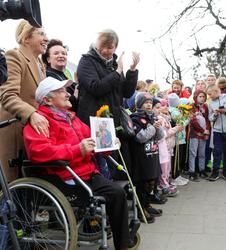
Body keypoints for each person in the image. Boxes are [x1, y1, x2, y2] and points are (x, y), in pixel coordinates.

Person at [23, 76, 130, 250]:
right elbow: (38, 152)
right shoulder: (41, 121)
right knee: (116, 192)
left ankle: (123, 244)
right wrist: (77, 149)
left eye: (66, 90)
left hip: (86, 174)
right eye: (61, 91)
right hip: (63, 177)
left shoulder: (72, 118)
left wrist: (108, 144)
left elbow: (94, 142)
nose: (67, 94)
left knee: (118, 193)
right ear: (47, 99)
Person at [76, 29, 140, 179]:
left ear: (116, 47)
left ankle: (116, 198)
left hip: (114, 121)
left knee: (115, 164)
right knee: (101, 164)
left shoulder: (115, 65)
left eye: (110, 47)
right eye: (102, 46)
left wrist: (131, 71)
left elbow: (126, 93)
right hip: (94, 121)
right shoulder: (86, 61)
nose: (105, 51)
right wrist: (117, 72)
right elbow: (95, 87)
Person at [0, 20, 49, 182]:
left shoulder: (40, 64)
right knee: (12, 190)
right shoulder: (14, 56)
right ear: (26, 38)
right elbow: (7, 95)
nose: (46, 38)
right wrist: (32, 114)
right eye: (41, 34)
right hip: (15, 131)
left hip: (34, 134)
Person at [130, 92, 164, 223]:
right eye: (146, 102)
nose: (149, 104)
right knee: (142, 185)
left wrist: (158, 127)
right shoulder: (134, 118)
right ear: (139, 104)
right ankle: (140, 210)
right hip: (142, 158)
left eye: (150, 102)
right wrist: (152, 127)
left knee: (152, 182)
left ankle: (147, 205)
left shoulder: (152, 117)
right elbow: (140, 137)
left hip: (153, 155)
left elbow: (160, 136)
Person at [206, 84, 226, 181]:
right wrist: (215, 115)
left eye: (210, 94)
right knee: (217, 151)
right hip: (217, 131)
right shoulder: (210, 103)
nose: (209, 96)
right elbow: (210, 118)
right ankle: (215, 172)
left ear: (216, 91)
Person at [41, 39, 78, 111]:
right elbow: (57, 102)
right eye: (56, 53)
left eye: (63, 53)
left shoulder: (64, 76)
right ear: (48, 59)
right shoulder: (48, 77)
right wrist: (75, 96)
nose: (61, 56)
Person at [188, 89, 210, 181]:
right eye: (200, 96)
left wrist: (207, 129)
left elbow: (207, 119)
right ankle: (192, 172)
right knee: (193, 153)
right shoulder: (191, 106)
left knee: (202, 153)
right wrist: (202, 130)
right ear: (195, 97)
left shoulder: (205, 106)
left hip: (204, 134)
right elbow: (193, 121)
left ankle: (202, 170)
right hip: (194, 134)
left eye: (203, 96)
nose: (202, 98)